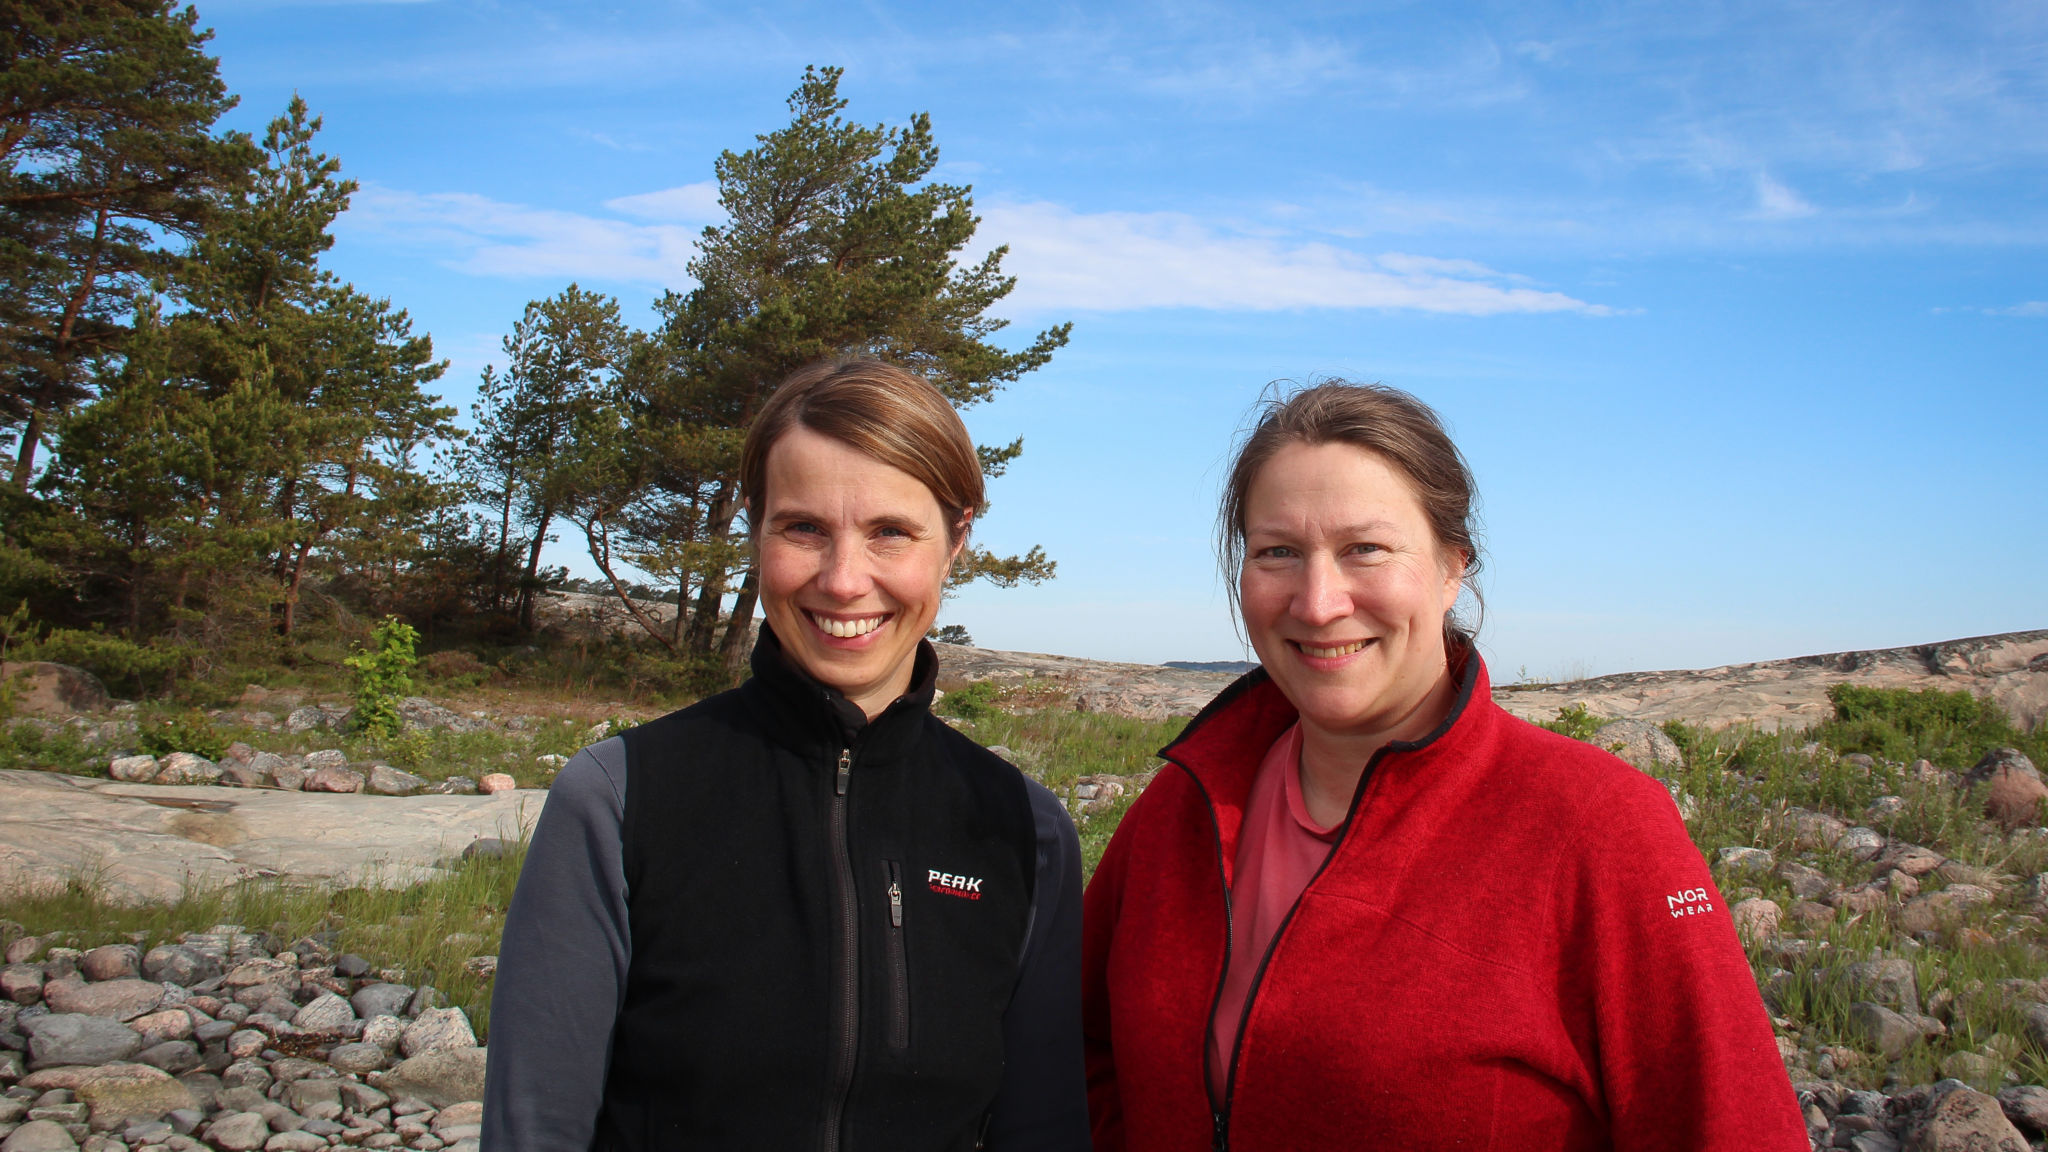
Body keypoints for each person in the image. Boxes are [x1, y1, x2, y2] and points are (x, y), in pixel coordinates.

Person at [1081, 381, 1806, 1151]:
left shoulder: (1600, 826)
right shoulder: (1185, 802)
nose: (1318, 602)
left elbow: (1731, 1128)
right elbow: (1079, 1052)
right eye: (1277, 553)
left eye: (1365, 549)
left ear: (1452, 568)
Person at [482, 358, 1090, 1152]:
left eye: (890, 532)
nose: (843, 581)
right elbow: (535, 1129)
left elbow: (1044, 1128)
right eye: (804, 528)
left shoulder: (1023, 829)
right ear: (755, 530)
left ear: (956, 542)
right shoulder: (619, 799)